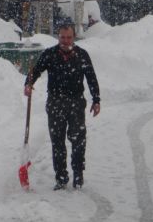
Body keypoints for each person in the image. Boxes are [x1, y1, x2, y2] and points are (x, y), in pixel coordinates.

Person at [24, 24, 100, 190]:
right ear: (58, 37)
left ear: (74, 37)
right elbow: (36, 71)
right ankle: (61, 177)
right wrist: (28, 84)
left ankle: (78, 174)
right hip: (55, 103)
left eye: (69, 37)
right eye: (62, 37)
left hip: (76, 104)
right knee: (57, 143)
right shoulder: (50, 54)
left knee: (78, 140)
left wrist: (96, 100)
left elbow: (91, 78)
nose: (65, 41)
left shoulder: (82, 55)